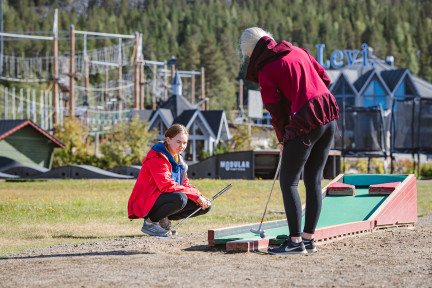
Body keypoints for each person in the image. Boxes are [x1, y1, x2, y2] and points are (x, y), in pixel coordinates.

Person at [240, 27, 339, 254]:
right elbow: (324, 78)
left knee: (289, 181)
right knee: (313, 180)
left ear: (252, 53)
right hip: (329, 114)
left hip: (306, 118)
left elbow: (276, 111)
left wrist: (283, 138)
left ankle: (295, 243)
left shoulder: (266, 69)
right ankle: (308, 239)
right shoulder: (298, 50)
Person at [128, 124, 211, 236]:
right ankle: (150, 224)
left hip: (164, 199)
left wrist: (199, 196)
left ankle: (163, 222)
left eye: (184, 143)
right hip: (146, 201)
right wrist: (195, 195)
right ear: (168, 139)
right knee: (180, 198)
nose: (181, 145)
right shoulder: (157, 158)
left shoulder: (179, 159)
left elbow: (185, 184)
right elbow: (166, 185)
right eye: (178, 142)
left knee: (204, 206)